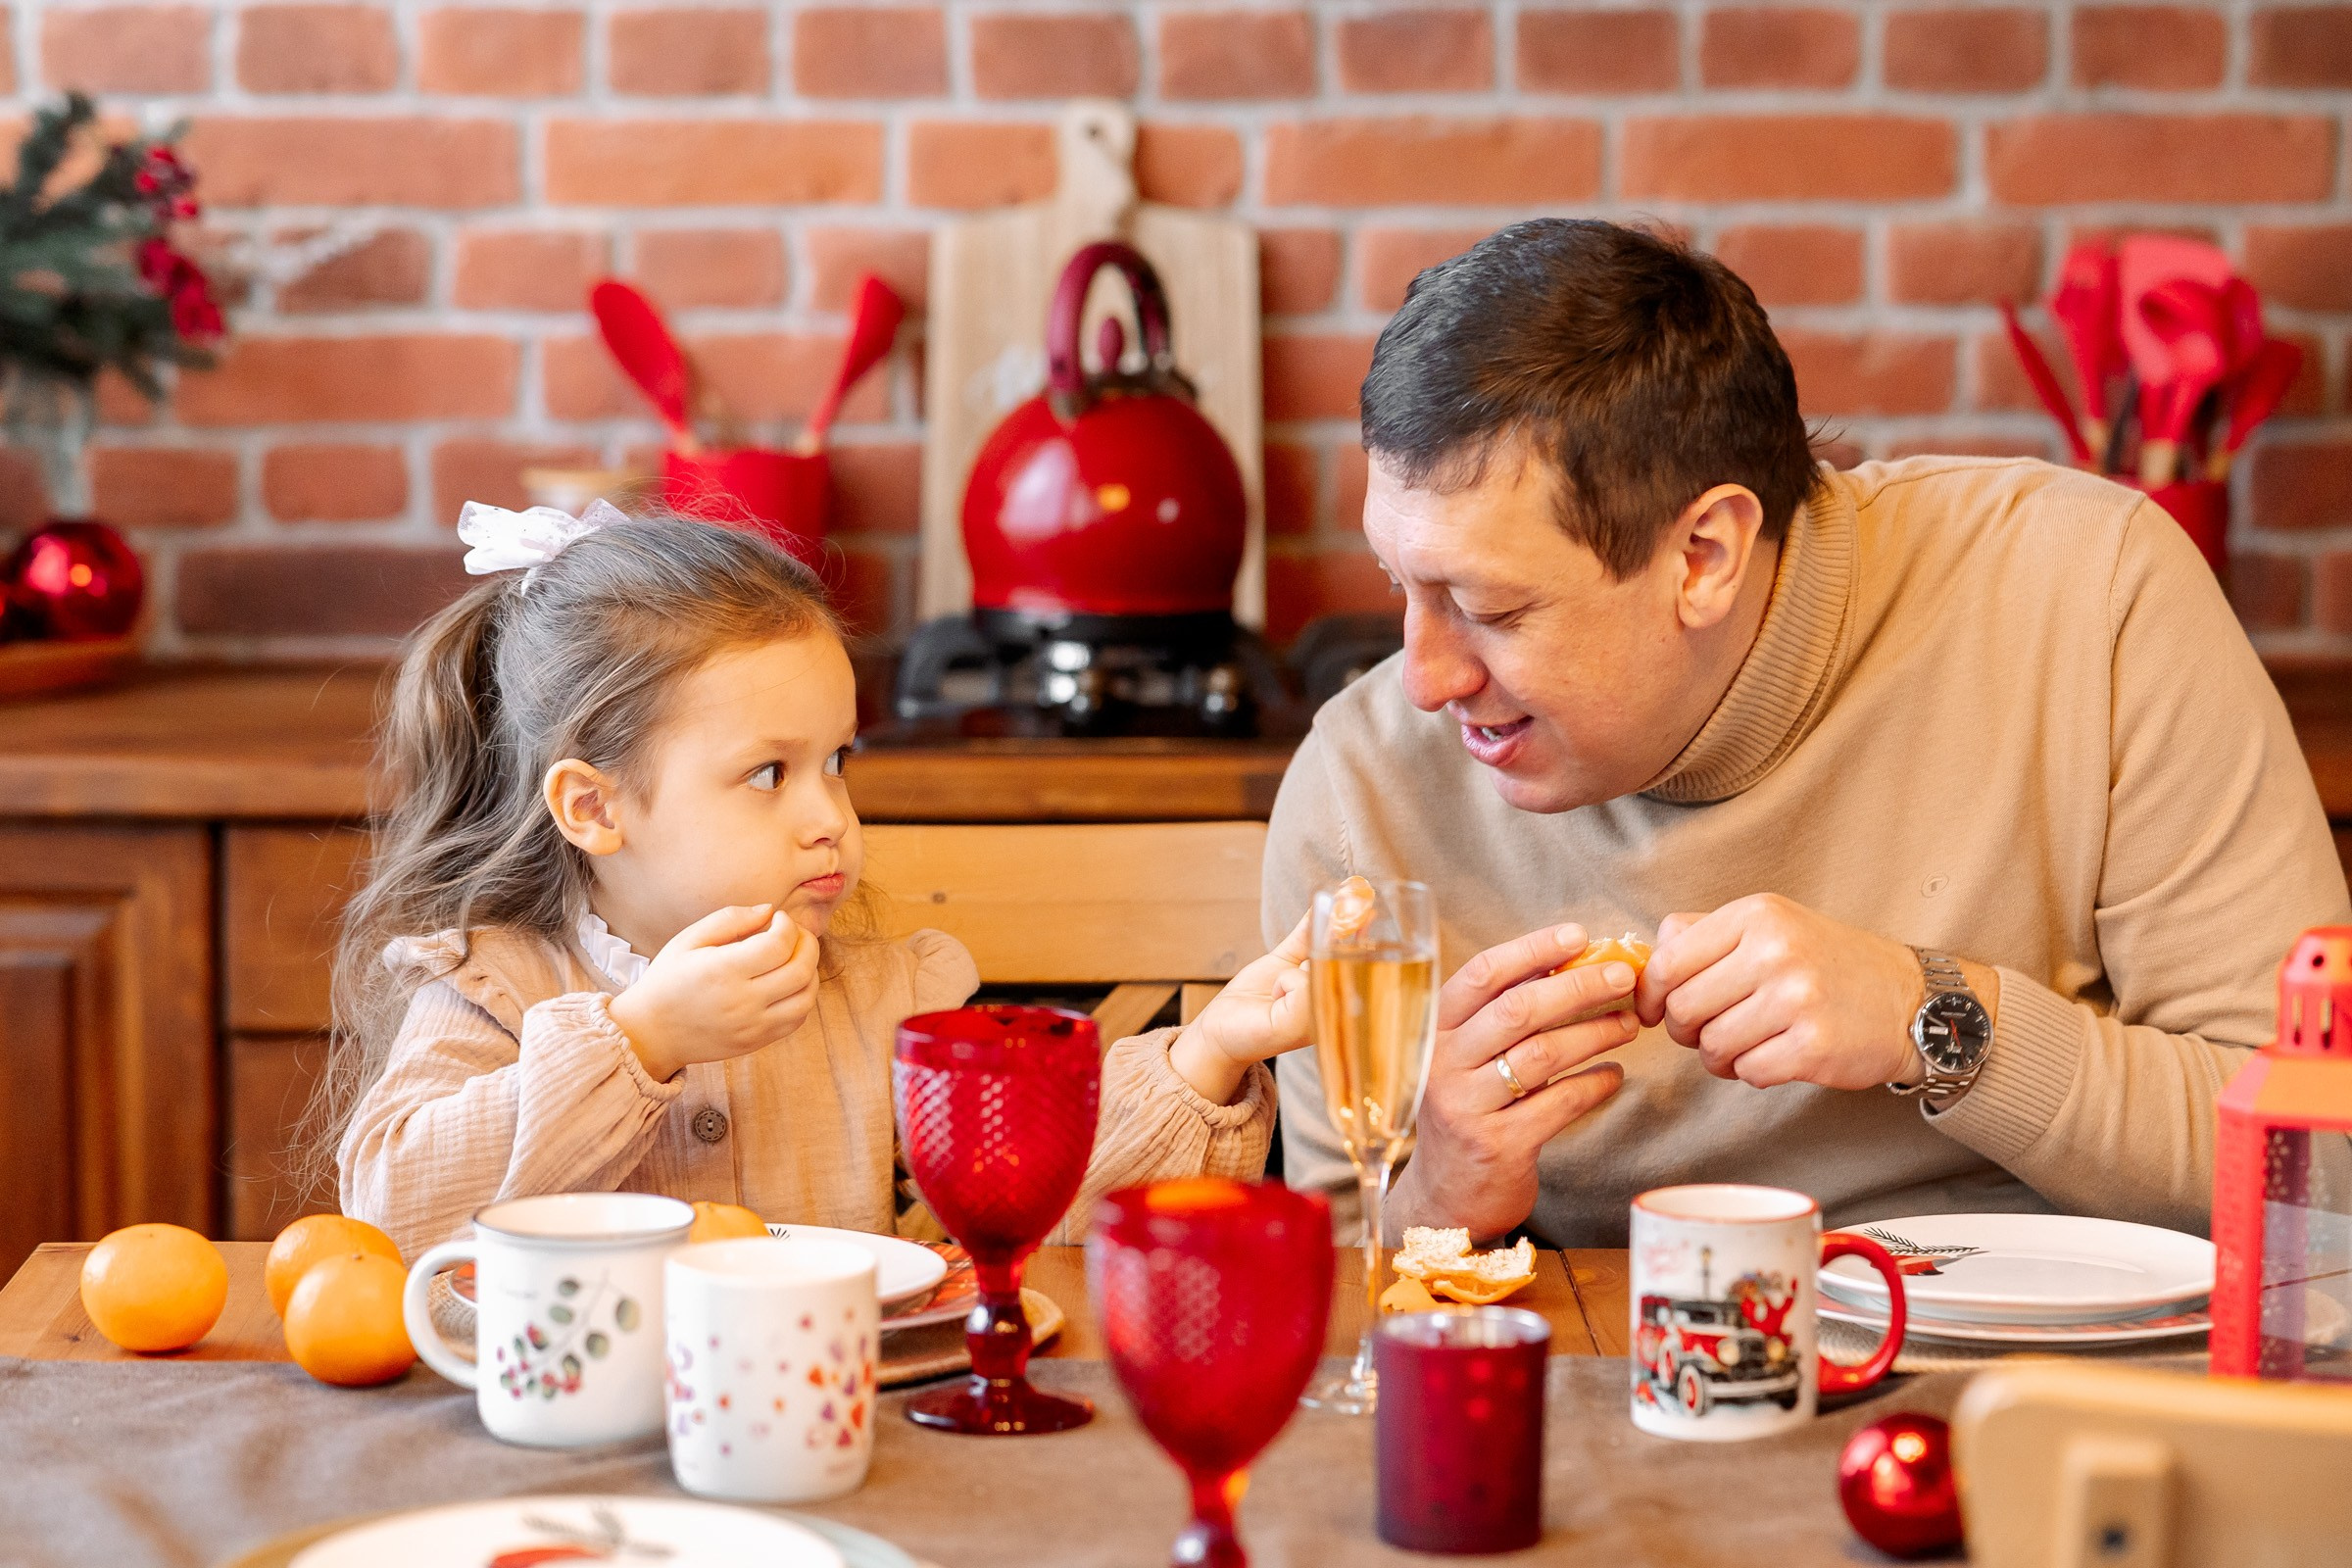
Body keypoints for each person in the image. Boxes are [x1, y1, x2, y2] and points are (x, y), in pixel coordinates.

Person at [1268, 219, 2350, 1245]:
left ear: (1704, 556)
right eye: (1397, 583)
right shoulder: (1363, 793)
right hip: (1609, 1411)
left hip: (2053, 1399)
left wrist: (1932, 1017)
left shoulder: (2093, 597)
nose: (1423, 677)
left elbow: (2321, 1167)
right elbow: (1341, 1314)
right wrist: (1439, 1193)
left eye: (1492, 610)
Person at [325, 504, 1308, 1259]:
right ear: (594, 808)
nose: (829, 816)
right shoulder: (494, 985)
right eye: (769, 773)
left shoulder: (872, 996)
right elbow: (391, 1210)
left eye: (838, 760)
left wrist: (1208, 1053)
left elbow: (1027, 1184)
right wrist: (640, 1040)